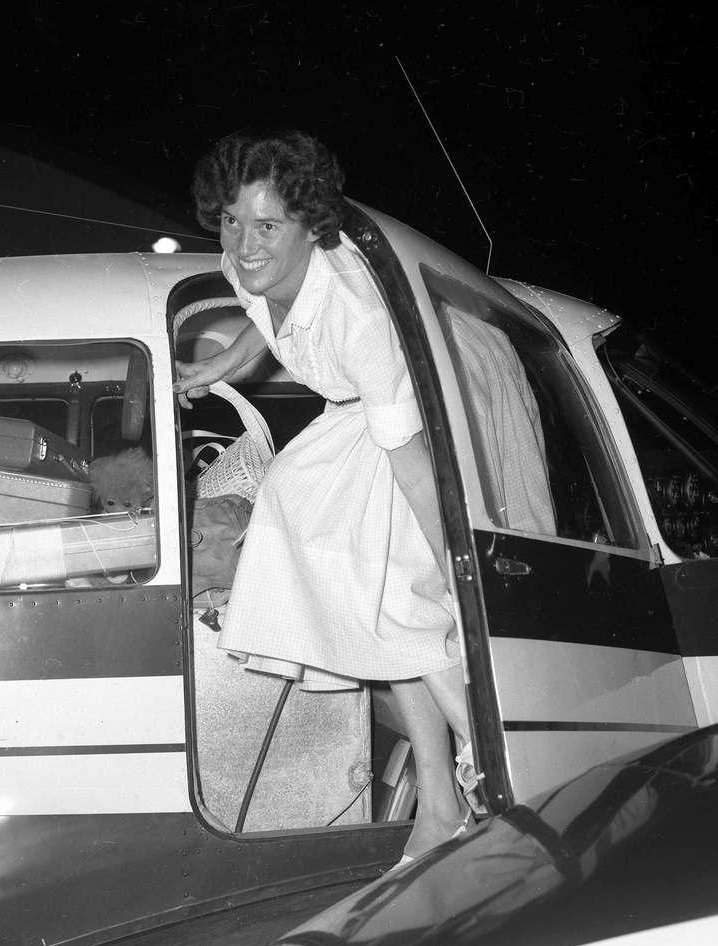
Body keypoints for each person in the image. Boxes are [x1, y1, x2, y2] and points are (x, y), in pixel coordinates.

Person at [174, 129, 541, 865]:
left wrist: (460, 565)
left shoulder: (359, 318)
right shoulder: (241, 261)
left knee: (400, 593)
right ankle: (440, 804)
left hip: (433, 393)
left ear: (311, 226)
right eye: (232, 220)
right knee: (331, 552)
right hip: (356, 415)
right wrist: (222, 364)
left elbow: (409, 456)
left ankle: (502, 768)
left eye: (268, 225)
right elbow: (258, 311)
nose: (245, 243)